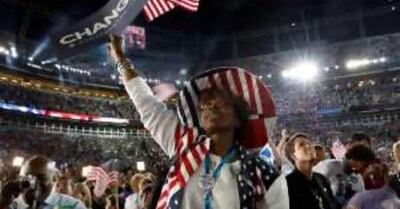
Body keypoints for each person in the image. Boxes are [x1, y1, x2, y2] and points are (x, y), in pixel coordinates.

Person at [109, 35, 289, 209]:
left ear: (238, 115)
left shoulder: (265, 175)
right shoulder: (183, 143)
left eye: (217, 100)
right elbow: (145, 102)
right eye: (203, 105)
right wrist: (119, 57)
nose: (208, 105)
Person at [285, 133, 338, 209]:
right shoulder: (287, 185)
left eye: (310, 144)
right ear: (293, 156)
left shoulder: (322, 179)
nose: (308, 146)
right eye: (301, 145)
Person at [14, 155, 86, 209]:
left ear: (54, 178)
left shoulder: (72, 206)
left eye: (41, 178)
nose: (34, 182)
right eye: (28, 178)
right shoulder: (12, 204)